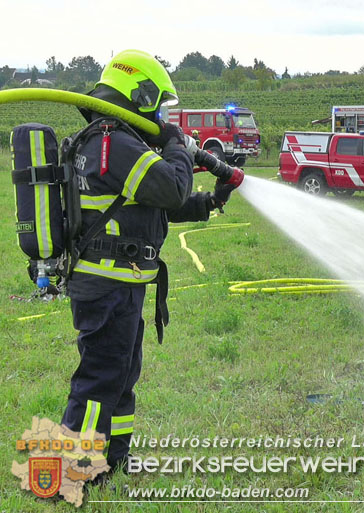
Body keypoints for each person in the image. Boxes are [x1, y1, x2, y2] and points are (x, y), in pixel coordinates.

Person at [60, 49, 241, 473]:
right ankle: (75, 469)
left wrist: (211, 201)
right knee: (100, 379)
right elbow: (168, 187)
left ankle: (115, 460)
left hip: (118, 283)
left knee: (122, 376)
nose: (160, 115)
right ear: (138, 94)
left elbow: (153, 205)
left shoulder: (107, 142)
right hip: (107, 285)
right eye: (157, 105)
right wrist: (178, 146)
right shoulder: (115, 143)